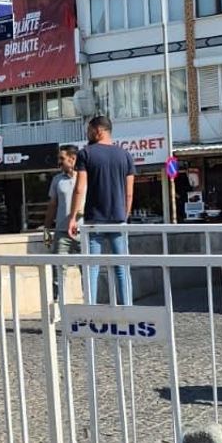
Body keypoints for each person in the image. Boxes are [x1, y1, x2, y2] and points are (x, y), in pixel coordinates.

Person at [68, 116, 135, 305]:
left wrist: (73, 217)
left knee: (92, 267)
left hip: (94, 219)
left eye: (89, 130)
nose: (87, 134)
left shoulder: (86, 154)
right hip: (118, 219)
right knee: (122, 267)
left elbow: (79, 188)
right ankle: (128, 309)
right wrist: (124, 216)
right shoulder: (125, 155)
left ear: (98, 131)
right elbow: (129, 193)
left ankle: (91, 311)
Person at [44, 145, 84, 303]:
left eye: (62, 158)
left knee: (87, 270)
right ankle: (57, 305)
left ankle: (90, 305)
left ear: (72, 159)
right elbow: (52, 204)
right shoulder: (57, 180)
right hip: (61, 231)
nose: (59, 162)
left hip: (83, 231)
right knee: (58, 270)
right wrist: (46, 227)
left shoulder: (85, 177)